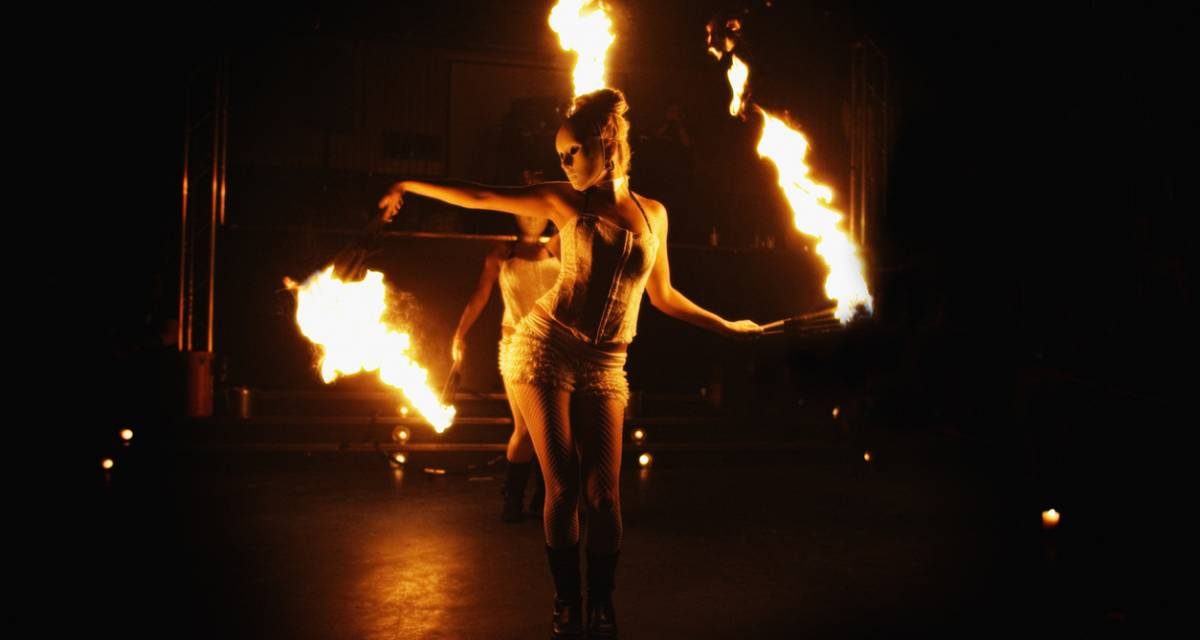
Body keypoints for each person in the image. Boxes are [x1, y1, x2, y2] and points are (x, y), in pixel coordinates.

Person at [380, 88, 761, 639]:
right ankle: (566, 603)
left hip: (607, 364)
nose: (564, 163)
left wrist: (727, 326)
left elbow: (664, 296)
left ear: (606, 144)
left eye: (571, 152)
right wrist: (406, 183)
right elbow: (485, 196)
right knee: (561, 489)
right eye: (559, 155)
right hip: (544, 347)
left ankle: (601, 601)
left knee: (604, 495)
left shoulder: (655, 215)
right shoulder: (566, 202)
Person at [450, 176, 560, 522]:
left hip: (555, 346)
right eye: (524, 212)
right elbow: (479, 295)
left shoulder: (558, 247)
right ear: (515, 213)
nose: (531, 218)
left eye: (537, 213)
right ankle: (512, 500)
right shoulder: (502, 252)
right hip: (516, 346)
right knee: (526, 428)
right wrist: (459, 334)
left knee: (554, 428)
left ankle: (545, 499)